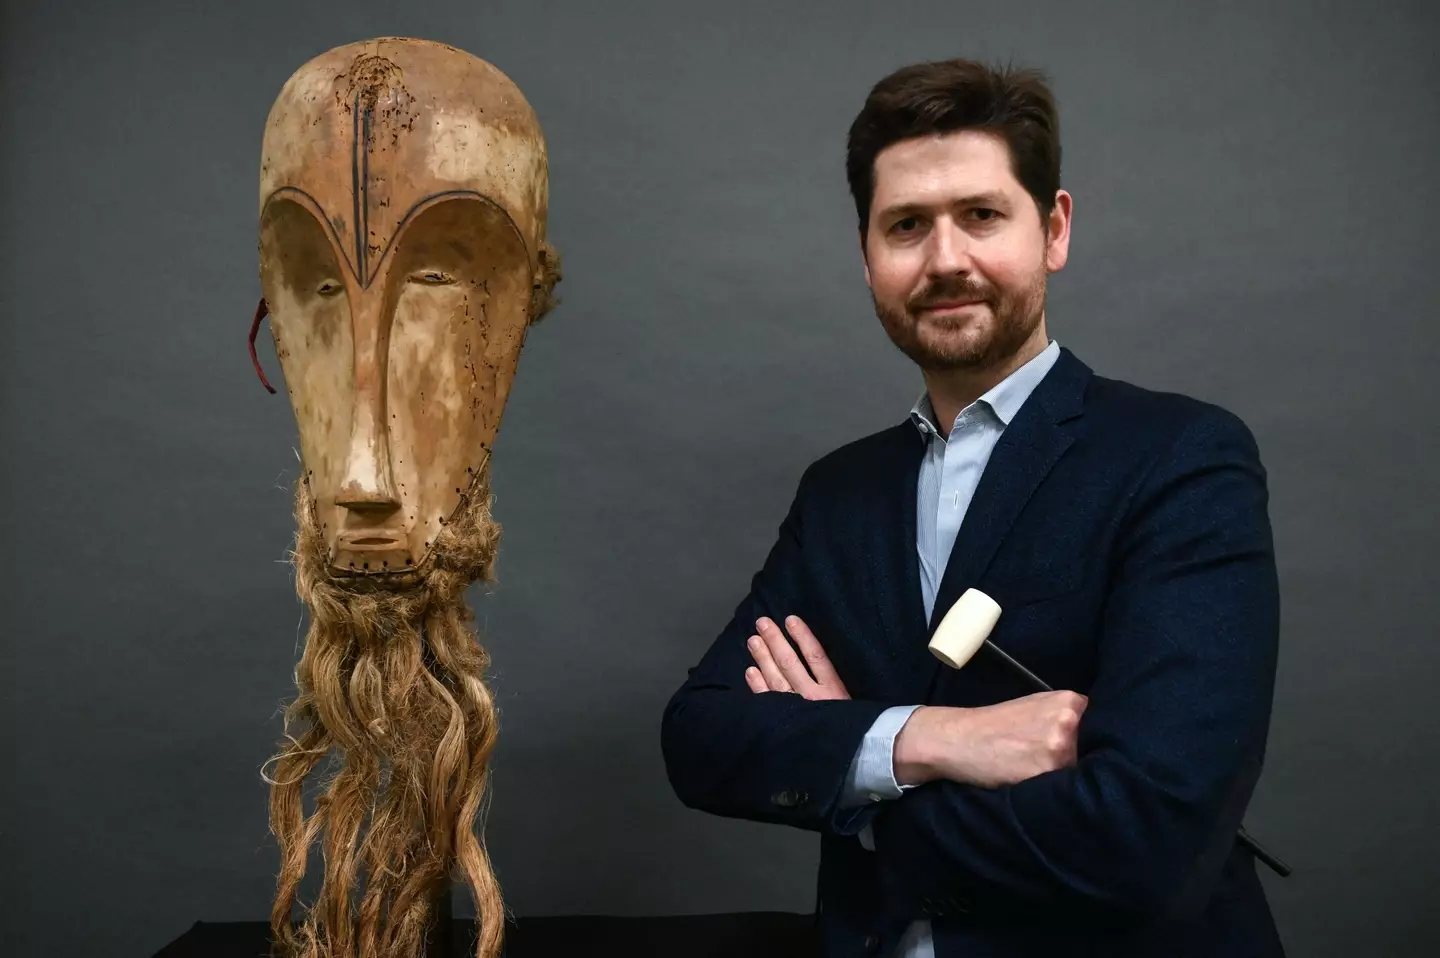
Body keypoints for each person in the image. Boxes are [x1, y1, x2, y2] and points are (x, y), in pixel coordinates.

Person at [660, 58, 1284, 957]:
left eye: (982, 216)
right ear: (867, 256)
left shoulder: (1180, 457)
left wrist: (865, 800)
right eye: (906, 226)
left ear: (1054, 230)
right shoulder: (841, 493)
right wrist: (934, 738)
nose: (946, 259)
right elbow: (704, 739)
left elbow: (1152, 833)